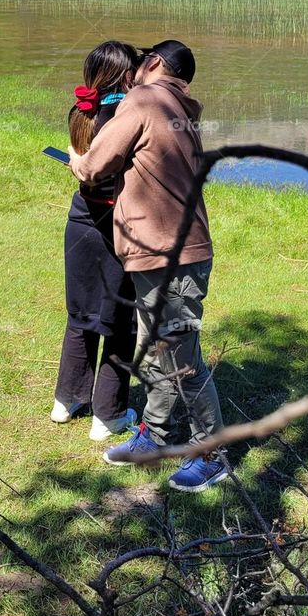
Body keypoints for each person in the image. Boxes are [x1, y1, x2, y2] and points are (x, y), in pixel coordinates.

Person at [68, 39, 227, 493]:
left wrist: (78, 161)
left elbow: (97, 165)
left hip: (169, 256)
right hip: (169, 252)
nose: (132, 71)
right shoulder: (180, 109)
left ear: (154, 64)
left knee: (181, 358)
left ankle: (211, 454)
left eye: (139, 63)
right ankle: (154, 436)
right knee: (155, 348)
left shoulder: (143, 98)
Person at [51, 41, 141, 441]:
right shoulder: (127, 115)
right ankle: (109, 415)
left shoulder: (81, 111)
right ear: (126, 75)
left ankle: (67, 400)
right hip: (118, 225)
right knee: (121, 322)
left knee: (81, 314)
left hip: (81, 220)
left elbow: (83, 166)